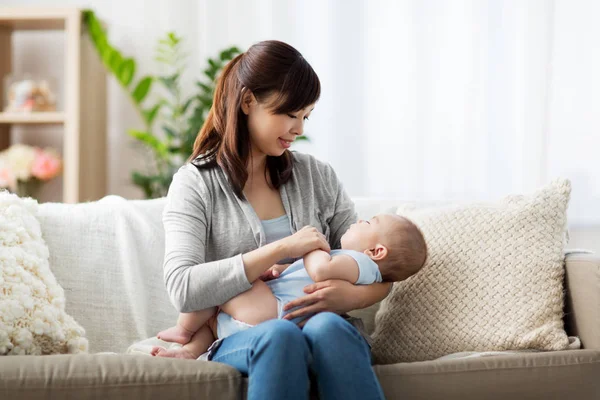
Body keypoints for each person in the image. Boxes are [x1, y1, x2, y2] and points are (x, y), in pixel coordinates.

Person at [161, 39, 393, 400]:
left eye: (306, 116)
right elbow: (182, 286)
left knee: (329, 328)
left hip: (327, 328)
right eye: (290, 114)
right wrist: (281, 249)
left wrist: (346, 296)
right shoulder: (195, 183)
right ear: (248, 101)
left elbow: (379, 267)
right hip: (246, 336)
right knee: (280, 334)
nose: (298, 128)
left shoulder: (316, 176)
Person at [153, 214, 427, 360]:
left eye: (366, 222)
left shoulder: (357, 262)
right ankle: (190, 350)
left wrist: (308, 246)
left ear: (376, 251)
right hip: (268, 316)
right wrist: (282, 267)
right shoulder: (350, 261)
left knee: (227, 283)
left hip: (275, 312)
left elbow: (320, 270)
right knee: (214, 316)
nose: (357, 221)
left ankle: (184, 330)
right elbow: (305, 274)